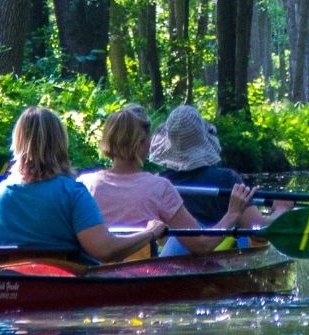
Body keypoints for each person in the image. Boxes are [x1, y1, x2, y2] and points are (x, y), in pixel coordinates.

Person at [0, 106, 165, 264]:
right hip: (69, 290)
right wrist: (149, 233)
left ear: (17, 144)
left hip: (14, 288)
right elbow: (105, 250)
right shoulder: (72, 192)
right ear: (60, 144)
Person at [79, 104, 257, 256]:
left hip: (98, 271)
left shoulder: (84, 184)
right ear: (143, 143)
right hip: (144, 277)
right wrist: (232, 214)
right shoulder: (159, 187)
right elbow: (201, 245)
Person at [150, 103, 289, 227]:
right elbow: (256, 227)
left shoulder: (158, 183)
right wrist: (281, 210)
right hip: (216, 250)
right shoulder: (226, 179)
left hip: (172, 250)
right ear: (204, 138)